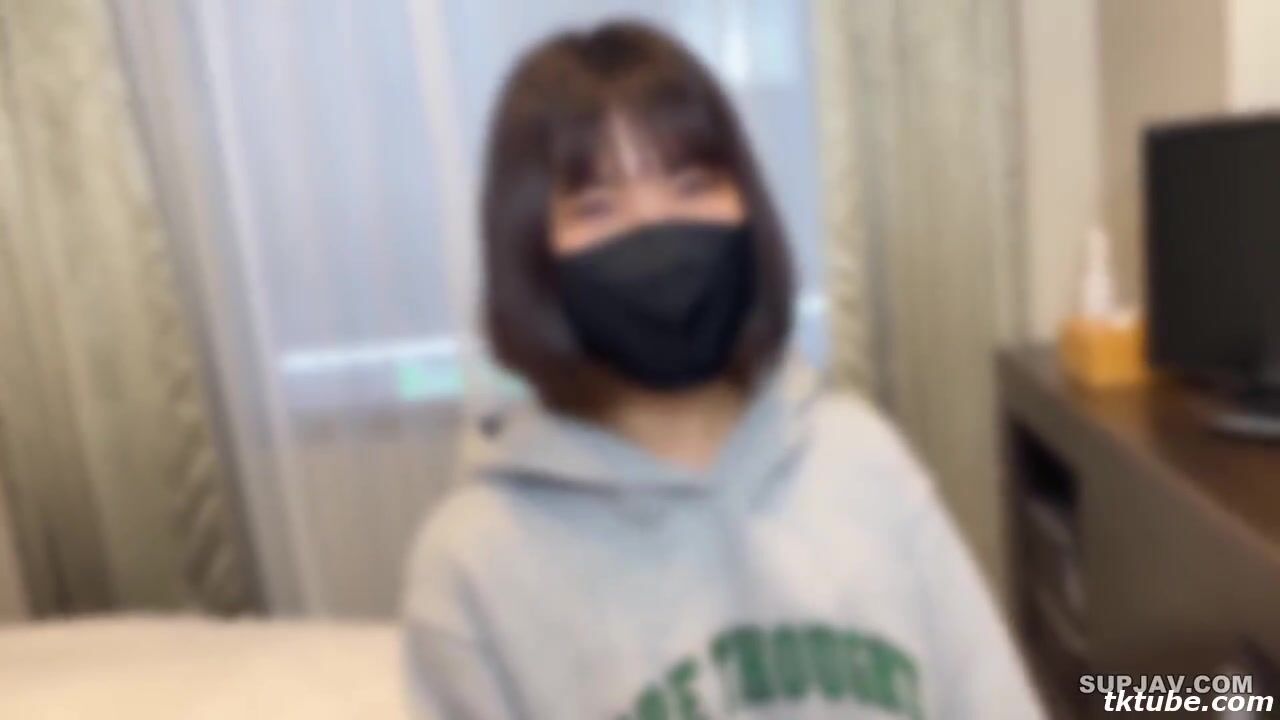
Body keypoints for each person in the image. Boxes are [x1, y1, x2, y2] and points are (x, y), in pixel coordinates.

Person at [401, 20, 1044, 720]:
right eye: (597, 205)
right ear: (530, 253)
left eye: (691, 183)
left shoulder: (862, 458)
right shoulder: (472, 565)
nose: (654, 227)